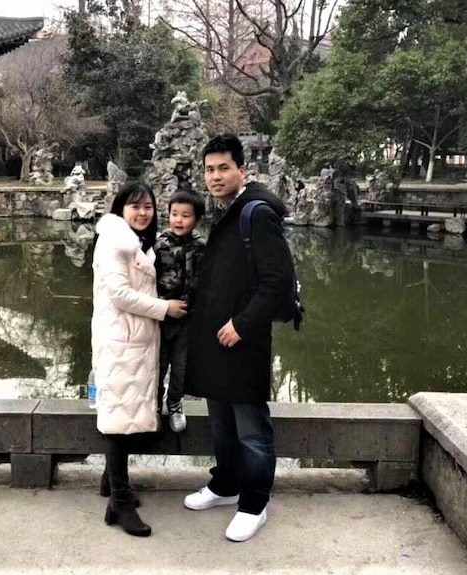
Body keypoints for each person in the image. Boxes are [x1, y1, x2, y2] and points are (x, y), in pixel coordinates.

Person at [182, 134, 295, 542]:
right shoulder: (228, 210)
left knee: (250, 428)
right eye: (209, 169)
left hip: (243, 339)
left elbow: (277, 282)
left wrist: (243, 325)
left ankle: (254, 503)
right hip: (216, 339)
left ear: (241, 170)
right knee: (222, 425)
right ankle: (225, 485)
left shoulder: (256, 212)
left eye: (223, 168)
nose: (214, 176)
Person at [91, 181, 188, 537]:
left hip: (135, 342)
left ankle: (113, 485)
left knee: (126, 414)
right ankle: (120, 503)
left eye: (148, 206)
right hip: (120, 343)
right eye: (135, 206)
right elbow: (119, 294)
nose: (142, 212)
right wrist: (165, 308)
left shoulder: (140, 242)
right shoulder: (115, 241)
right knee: (119, 424)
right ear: (121, 209)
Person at [154, 189, 206, 432]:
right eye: (174, 214)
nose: (179, 220)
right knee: (157, 364)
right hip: (161, 317)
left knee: (182, 366)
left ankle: (174, 402)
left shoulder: (202, 246)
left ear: (196, 219)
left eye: (185, 215)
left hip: (189, 319)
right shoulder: (157, 245)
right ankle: (154, 402)